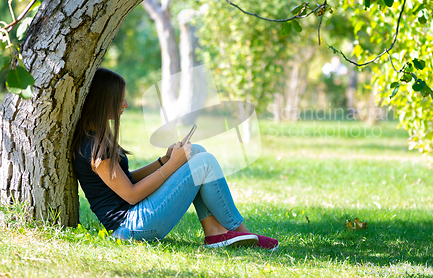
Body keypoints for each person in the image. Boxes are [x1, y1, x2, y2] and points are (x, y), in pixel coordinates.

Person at [71, 68, 278, 250]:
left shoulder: (98, 137)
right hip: (130, 227)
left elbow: (127, 180)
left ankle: (214, 232)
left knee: (195, 151)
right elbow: (132, 195)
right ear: (103, 101)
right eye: (120, 99)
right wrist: (173, 164)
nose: (125, 104)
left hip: (136, 218)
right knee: (203, 163)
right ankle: (242, 232)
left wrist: (164, 160)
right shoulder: (93, 147)